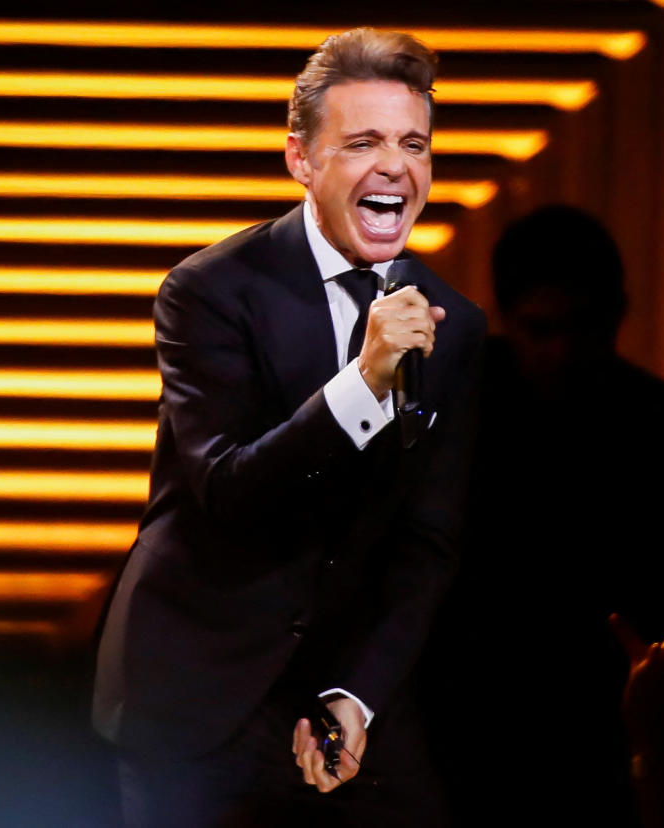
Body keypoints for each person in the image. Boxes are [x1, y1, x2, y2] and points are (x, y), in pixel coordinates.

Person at [92, 28, 485, 828]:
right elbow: (228, 491)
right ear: (302, 160)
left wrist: (357, 695)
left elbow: (428, 543)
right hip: (199, 695)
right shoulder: (208, 293)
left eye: (414, 144)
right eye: (364, 141)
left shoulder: (453, 325)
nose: (395, 167)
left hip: (344, 696)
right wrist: (364, 382)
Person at [421, 205, 664, 827]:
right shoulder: (442, 415)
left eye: (580, 328)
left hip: (581, 737)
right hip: (475, 735)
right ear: (507, 319)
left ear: (615, 316)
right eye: (542, 330)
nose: (562, 351)